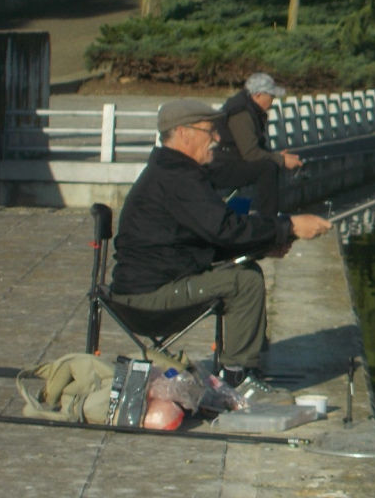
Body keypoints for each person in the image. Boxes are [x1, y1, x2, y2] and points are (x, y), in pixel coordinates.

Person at [110, 98, 331, 402]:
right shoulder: (177, 177)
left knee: (245, 270)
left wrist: (265, 246)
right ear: (183, 133)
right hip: (147, 298)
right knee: (245, 281)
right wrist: (288, 226)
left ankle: (241, 369)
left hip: (151, 284)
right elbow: (225, 229)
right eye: (209, 131)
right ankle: (239, 380)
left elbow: (205, 240)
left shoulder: (172, 171)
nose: (216, 139)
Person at [208, 71, 303, 219]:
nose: (273, 100)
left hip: (233, 161)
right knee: (267, 168)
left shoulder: (249, 108)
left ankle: (248, 215)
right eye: (271, 96)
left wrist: (276, 156)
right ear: (258, 95)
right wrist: (280, 160)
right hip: (221, 166)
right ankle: (268, 220)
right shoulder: (241, 113)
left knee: (267, 165)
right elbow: (251, 153)